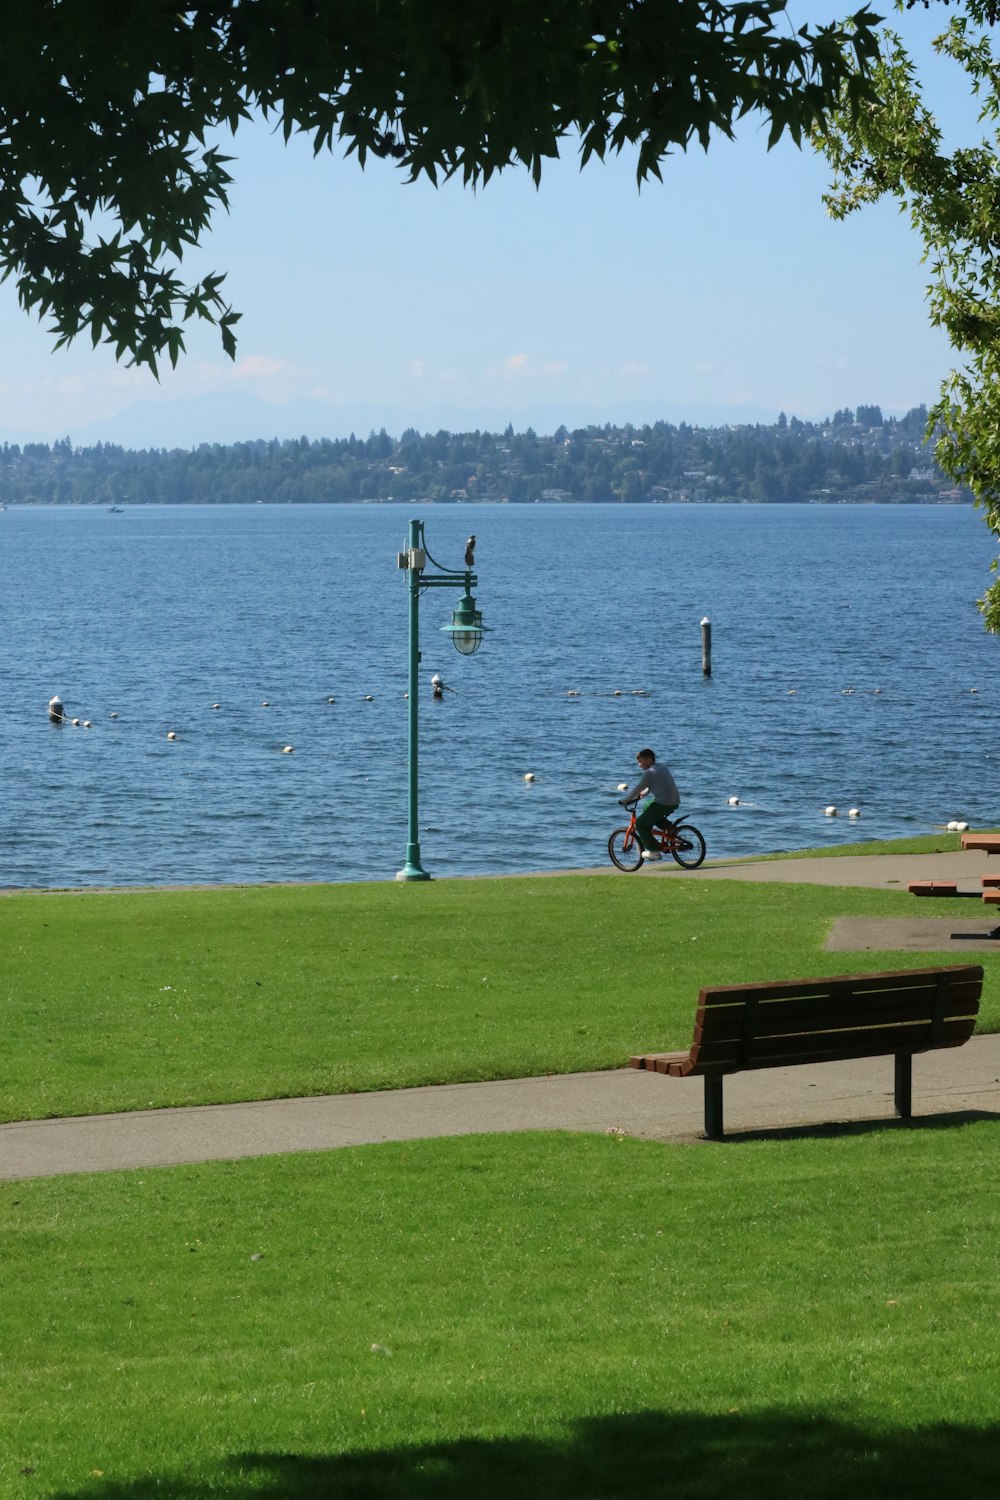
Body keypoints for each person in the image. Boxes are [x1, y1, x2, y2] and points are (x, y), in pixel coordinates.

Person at [619, 748, 680, 861]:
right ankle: (669, 828)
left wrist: (625, 800)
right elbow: (656, 784)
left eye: (640, 761)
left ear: (648, 759)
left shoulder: (649, 773)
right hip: (674, 801)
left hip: (664, 803)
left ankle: (654, 851)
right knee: (647, 806)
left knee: (641, 824)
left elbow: (638, 788)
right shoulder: (661, 766)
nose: (639, 764)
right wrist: (645, 793)